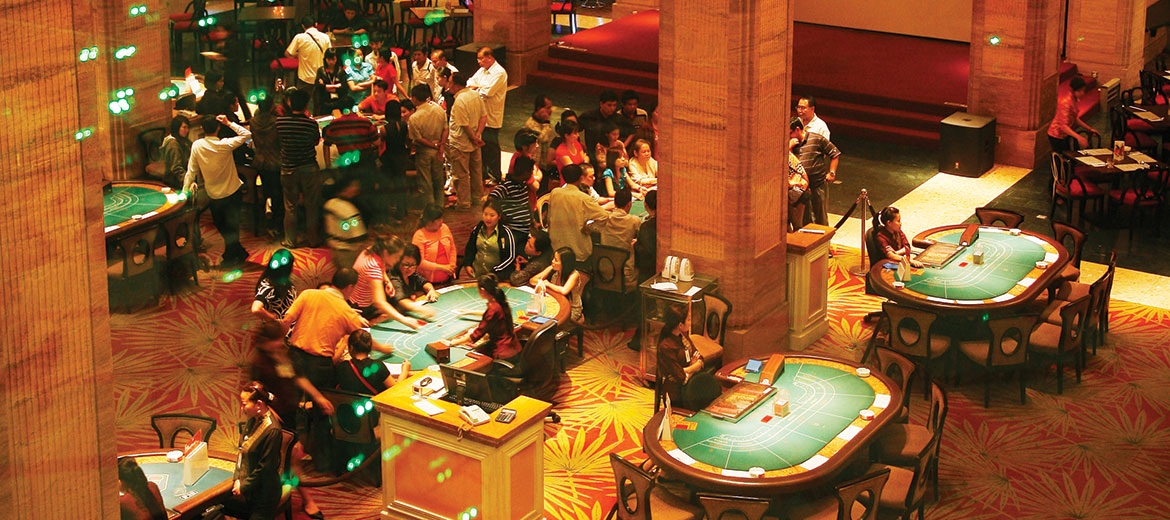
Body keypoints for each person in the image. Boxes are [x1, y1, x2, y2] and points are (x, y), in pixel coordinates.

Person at [246, 322, 330, 520]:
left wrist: (318, 397)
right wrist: (269, 413)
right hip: (273, 420)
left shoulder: (286, 354)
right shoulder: (258, 363)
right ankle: (307, 500)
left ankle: (277, 496)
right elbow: (254, 394)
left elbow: (298, 378)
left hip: (291, 415)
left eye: (279, 340)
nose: (278, 345)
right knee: (291, 460)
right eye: (274, 342)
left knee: (289, 459)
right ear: (264, 342)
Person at [183, 114, 251, 266]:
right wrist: (229, 123)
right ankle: (236, 252)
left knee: (223, 225)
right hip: (232, 192)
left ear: (202, 128)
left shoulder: (197, 145)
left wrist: (184, 191)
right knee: (231, 226)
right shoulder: (224, 144)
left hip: (215, 195)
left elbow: (191, 171)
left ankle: (231, 254)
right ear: (218, 128)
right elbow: (247, 134)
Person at [223, 381, 284, 520]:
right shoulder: (252, 420)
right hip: (248, 487)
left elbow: (265, 469)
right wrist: (237, 479)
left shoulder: (273, 431)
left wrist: (243, 487)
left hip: (264, 495)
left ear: (259, 405)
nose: (242, 408)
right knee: (212, 509)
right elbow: (241, 452)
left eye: (244, 404)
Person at [275, 88, 324, 249]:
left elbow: (278, 142)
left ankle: (290, 240)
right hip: (309, 167)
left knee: (290, 207)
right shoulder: (311, 124)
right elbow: (316, 142)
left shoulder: (280, 123)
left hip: (288, 168)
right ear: (305, 106)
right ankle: (313, 239)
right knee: (311, 205)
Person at [449, 274, 523, 378]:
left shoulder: (493, 308)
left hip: (504, 356)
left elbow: (474, 337)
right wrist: (469, 311)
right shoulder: (500, 301)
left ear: (483, 290)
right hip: (515, 349)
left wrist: (451, 343)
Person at [350, 236, 431, 326]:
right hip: (362, 307)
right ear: (386, 253)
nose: (397, 260)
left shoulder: (372, 250)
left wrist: (386, 281)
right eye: (397, 257)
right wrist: (404, 320)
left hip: (361, 300)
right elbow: (379, 302)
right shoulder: (372, 267)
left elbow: (381, 265)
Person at [656, 307, 718, 410]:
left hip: (691, 383)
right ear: (680, 325)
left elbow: (700, 358)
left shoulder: (683, 335)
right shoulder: (666, 346)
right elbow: (682, 379)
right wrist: (694, 366)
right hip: (677, 394)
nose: (691, 322)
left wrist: (688, 369)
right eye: (688, 319)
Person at [549, 163, 609, 263]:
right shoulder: (583, 198)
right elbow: (604, 216)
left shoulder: (555, 192)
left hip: (556, 246)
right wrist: (589, 228)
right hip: (577, 250)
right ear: (581, 178)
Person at [791, 117, 841, 226]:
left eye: (791, 133)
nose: (789, 136)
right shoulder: (791, 144)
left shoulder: (816, 139)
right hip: (801, 187)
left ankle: (823, 242)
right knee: (804, 220)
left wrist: (832, 173)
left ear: (797, 129)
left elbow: (835, 153)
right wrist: (789, 148)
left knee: (820, 217)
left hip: (818, 185)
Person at [467, 47, 508, 183]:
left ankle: (495, 175)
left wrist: (477, 88)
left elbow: (488, 91)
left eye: (480, 58)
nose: (478, 61)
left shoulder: (499, 72)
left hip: (491, 115)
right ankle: (483, 174)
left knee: (492, 147)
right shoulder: (483, 70)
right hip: (480, 115)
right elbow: (470, 82)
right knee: (482, 146)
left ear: (489, 57)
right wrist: (478, 87)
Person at [588, 188, 641, 289]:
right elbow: (643, 238)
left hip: (604, 271)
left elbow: (588, 228)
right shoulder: (634, 221)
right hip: (625, 274)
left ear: (614, 203)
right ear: (629, 204)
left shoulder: (605, 219)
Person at [447, 72, 486, 210]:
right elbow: (483, 117)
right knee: (476, 171)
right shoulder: (475, 95)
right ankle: (477, 198)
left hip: (461, 142)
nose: (448, 85)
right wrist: (478, 135)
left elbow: (463, 124)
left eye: (450, 83)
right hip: (475, 140)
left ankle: (463, 203)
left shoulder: (460, 100)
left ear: (456, 85)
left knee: (461, 174)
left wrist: (473, 137)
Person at [408, 84, 448, 209]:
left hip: (424, 152)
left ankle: (430, 207)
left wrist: (433, 145)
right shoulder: (439, 110)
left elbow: (418, 139)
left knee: (425, 182)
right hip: (438, 151)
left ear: (414, 98)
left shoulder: (414, 118)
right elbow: (446, 130)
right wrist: (440, 146)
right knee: (438, 179)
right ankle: (440, 205)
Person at [249, 97, 284, 238]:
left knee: (265, 191)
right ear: (271, 107)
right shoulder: (277, 123)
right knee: (278, 195)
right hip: (275, 161)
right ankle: (277, 225)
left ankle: (266, 221)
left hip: (260, 160)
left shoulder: (253, 122)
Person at [334, 329, 409, 394]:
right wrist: (405, 371)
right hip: (376, 408)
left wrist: (344, 343)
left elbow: (332, 362)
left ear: (351, 347)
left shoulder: (343, 367)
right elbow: (395, 390)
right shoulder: (377, 366)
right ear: (370, 347)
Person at [459, 199, 518, 278]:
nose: (488, 218)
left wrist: (494, 271)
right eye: (485, 214)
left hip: (496, 277)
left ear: (499, 216)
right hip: (476, 276)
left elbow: (511, 257)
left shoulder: (506, 233)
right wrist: (468, 264)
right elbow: (470, 248)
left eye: (492, 215)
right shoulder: (477, 229)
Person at [323, 175, 369, 269]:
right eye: (354, 185)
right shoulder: (348, 209)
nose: (357, 187)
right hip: (348, 252)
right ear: (346, 188)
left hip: (335, 249)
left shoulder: (329, 204)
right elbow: (358, 236)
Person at [530, 248, 584, 322]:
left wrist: (548, 284)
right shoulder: (552, 268)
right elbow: (532, 280)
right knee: (535, 316)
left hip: (572, 309)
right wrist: (541, 283)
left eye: (556, 260)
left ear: (564, 263)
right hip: (557, 304)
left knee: (547, 323)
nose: (552, 261)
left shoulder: (574, 275)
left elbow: (564, 291)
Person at [286, 16, 332, 103]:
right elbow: (329, 54)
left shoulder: (299, 37)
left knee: (301, 103)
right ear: (316, 24)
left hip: (305, 78)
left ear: (303, 26)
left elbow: (288, 53)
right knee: (320, 103)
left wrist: (299, 55)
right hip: (321, 77)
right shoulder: (325, 37)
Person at [1048, 76, 1100, 152]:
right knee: (1061, 159)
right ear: (1073, 90)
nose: (1082, 93)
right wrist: (1079, 138)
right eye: (1079, 91)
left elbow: (1075, 118)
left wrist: (1089, 129)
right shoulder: (1066, 103)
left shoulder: (1074, 100)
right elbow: (1063, 126)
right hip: (1056, 135)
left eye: (1083, 90)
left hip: (1064, 134)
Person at [489, 155, 535, 238]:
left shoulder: (523, 185)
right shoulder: (506, 186)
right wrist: (501, 215)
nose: (532, 174)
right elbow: (491, 198)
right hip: (513, 231)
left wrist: (532, 220)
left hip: (525, 230)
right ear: (525, 172)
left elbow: (526, 203)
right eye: (531, 171)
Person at [388, 245, 440, 317]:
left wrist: (431, 290)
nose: (409, 268)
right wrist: (421, 309)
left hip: (404, 312)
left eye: (413, 265)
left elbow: (423, 282)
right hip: (390, 316)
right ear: (398, 262)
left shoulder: (412, 274)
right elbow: (400, 299)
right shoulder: (393, 276)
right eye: (406, 265)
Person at [412, 204, 458, 285]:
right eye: (439, 219)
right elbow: (420, 262)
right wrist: (443, 268)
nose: (442, 221)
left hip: (448, 277)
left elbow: (452, 248)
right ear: (430, 222)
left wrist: (452, 265)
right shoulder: (419, 236)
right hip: (429, 282)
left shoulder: (444, 228)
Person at [579, 90, 631, 158]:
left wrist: (623, 145)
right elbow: (574, 130)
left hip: (612, 156)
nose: (612, 108)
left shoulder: (618, 118)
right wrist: (580, 145)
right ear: (601, 104)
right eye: (609, 105)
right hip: (592, 154)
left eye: (614, 105)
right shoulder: (589, 116)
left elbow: (632, 131)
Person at [252, 249, 298, 321]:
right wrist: (272, 317)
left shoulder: (286, 283)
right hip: (281, 327)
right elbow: (256, 309)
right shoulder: (269, 285)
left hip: (289, 321)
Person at [524, 95, 557, 171]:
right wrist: (547, 122)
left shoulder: (544, 123)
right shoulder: (530, 124)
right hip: (533, 166)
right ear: (539, 109)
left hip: (544, 166)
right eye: (548, 108)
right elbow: (543, 138)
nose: (551, 110)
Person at [159, 115, 191, 189]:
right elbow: (176, 168)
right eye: (184, 127)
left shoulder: (183, 141)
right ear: (177, 128)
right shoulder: (173, 144)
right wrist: (188, 181)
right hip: (174, 182)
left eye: (188, 127)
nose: (187, 130)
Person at [314, 48, 349, 116]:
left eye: (333, 59)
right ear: (325, 59)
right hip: (325, 103)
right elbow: (318, 86)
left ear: (336, 59)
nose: (331, 62)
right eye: (329, 59)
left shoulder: (341, 71)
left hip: (339, 102)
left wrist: (325, 86)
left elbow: (344, 88)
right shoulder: (321, 71)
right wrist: (336, 86)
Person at [788, 133, 811, 229]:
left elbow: (788, 184)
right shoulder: (790, 156)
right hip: (802, 189)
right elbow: (805, 176)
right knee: (788, 225)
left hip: (796, 192)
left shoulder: (788, 157)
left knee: (796, 225)